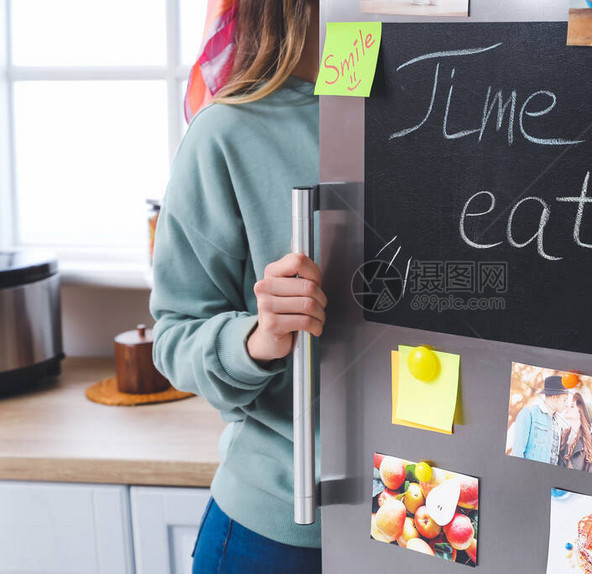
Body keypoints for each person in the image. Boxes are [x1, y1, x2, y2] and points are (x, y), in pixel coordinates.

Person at [149, 0, 325, 571]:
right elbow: (173, 336)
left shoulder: (466, 112)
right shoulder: (229, 130)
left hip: (450, 518)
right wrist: (257, 338)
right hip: (279, 529)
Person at [510, 375, 572, 465]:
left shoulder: (559, 423)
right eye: (565, 400)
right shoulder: (528, 413)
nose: (567, 404)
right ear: (554, 398)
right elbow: (517, 452)